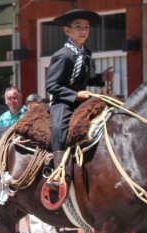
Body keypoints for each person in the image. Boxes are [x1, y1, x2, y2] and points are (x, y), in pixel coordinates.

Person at [46, 9, 114, 153]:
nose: (83, 31)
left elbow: (86, 79)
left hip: (83, 101)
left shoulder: (86, 54)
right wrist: (75, 95)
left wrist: (102, 78)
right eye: (78, 26)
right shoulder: (63, 55)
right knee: (59, 128)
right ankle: (58, 167)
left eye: (86, 27)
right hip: (63, 103)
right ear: (67, 30)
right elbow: (51, 85)